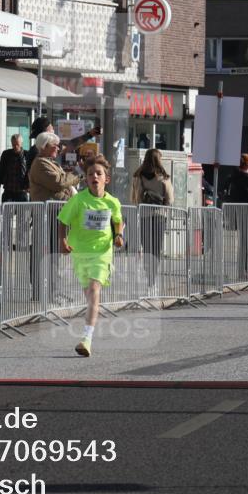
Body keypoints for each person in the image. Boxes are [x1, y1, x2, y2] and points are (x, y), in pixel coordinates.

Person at [57, 155, 124, 357]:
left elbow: (118, 220)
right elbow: (63, 220)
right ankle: (92, 320)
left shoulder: (113, 202)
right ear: (86, 179)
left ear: (106, 179)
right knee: (90, 297)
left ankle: (86, 339)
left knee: (95, 290)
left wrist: (119, 235)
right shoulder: (78, 200)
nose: (94, 176)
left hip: (103, 252)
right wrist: (63, 241)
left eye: (98, 173)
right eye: (90, 174)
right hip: (80, 253)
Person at [130, 149, 174, 294]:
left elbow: (135, 198)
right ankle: (152, 282)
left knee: (147, 249)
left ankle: (150, 281)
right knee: (156, 250)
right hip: (160, 217)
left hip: (144, 217)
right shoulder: (164, 177)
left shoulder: (138, 176)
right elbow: (170, 199)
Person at [25, 116, 101, 173]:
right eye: (52, 128)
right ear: (46, 132)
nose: (54, 131)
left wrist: (89, 134)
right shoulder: (36, 153)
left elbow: (71, 145)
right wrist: (78, 171)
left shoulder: (45, 149)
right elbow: (56, 181)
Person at [28, 132, 79, 202]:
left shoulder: (48, 162)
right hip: (51, 210)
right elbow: (59, 183)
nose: (58, 149)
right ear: (45, 146)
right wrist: (77, 173)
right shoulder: (40, 163)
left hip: (58, 208)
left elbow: (62, 180)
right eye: (55, 145)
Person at [0, 133, 29, 202]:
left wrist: (29, 186)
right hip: (8, 190)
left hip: (21, 190)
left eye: (17, 144)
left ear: (21, 143)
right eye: (13, 145)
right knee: (6, 212)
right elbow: (1, 170)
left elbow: (30, 172)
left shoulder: (27, 154)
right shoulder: (6, 154)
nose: (15, 147)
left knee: (22, 212)